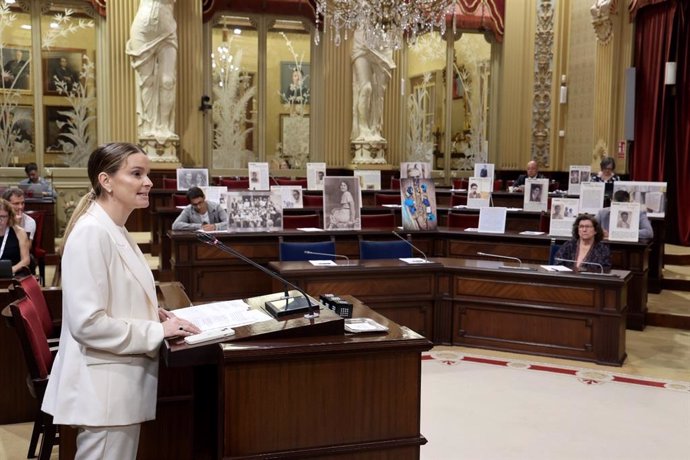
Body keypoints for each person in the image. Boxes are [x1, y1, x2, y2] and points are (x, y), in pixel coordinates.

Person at [42, 143, 200, 460]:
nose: (148, 182)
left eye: (148, 174)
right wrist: (159, 332)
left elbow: (115, 292)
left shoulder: (115, 227)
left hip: (117, 385)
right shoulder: (92, 233)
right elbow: (88, 324)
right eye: (137, 173)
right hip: (104, 389)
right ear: (107, 181)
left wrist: (150, 313)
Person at [126, 0, 178, 140]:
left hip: (167, 28)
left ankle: (164, 127)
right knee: (146, 81)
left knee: (168, 81)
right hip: (142, 28)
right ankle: (148, 128)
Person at [351, 27, 395, 143]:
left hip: (382, 43)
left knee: (379, 93)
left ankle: (376, 129)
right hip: (362, 41)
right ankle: (363, 129)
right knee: (366, 88)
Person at [0, 198, 31, 274]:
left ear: (9, 217)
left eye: (3, 217)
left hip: (13, 274)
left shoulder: (20, 232)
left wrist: (11, 270)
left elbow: (26, 260)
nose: (0, 220)